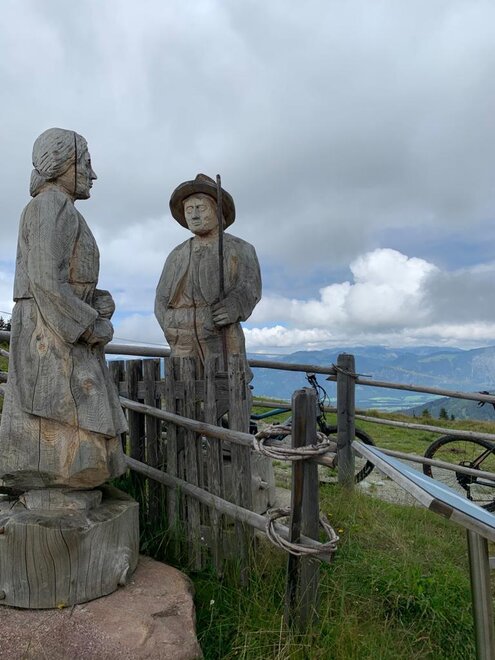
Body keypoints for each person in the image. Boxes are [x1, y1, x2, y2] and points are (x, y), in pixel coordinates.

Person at [0, 128, 127, 490]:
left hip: (58, 325)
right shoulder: (50, 205)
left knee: (82, 424)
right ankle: (55, 486)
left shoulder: (60, 208)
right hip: (52, 332)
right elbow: (44, 279)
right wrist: (89, 325)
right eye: (85, 163)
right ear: (61, 165)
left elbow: (65, 276)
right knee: (69, 424)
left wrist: (96, 299)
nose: (92, 173)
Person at [154, 174, 261, 380]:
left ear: (217, 211)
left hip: (221, 333)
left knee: (228, 384)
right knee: (183, 388)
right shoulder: (177, 254)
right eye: (189, 210)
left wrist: (235, 306)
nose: (194, 216)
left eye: (201, 208)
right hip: (180, 337)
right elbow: (161, 297)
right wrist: (168, 323)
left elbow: (250, 286)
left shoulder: (240, 248)